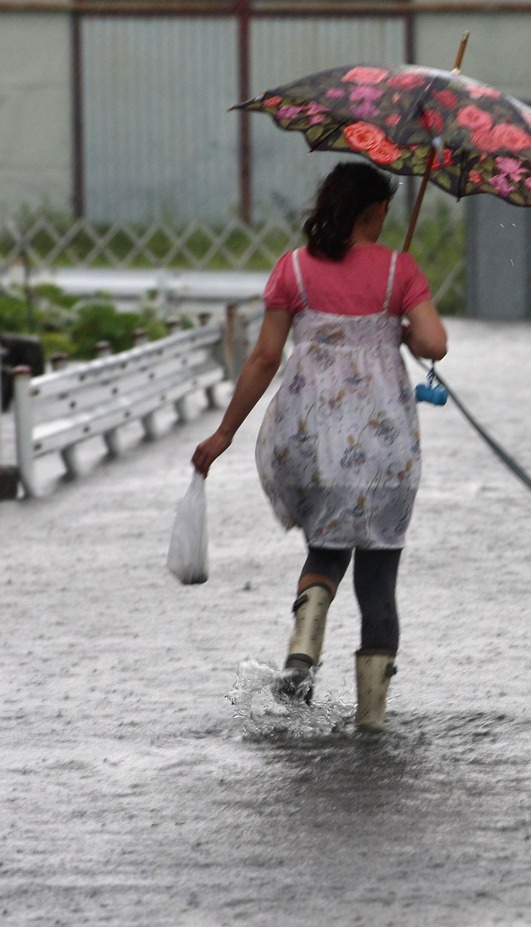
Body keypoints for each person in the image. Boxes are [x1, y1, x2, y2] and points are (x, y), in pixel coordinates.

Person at [192, 161, 448, 731]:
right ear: (374, 213)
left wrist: (225, 433)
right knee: (378, 577)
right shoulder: (398, 271)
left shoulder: (293, 270)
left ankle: (303, 651)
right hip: (383, 446)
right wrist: (400, 325)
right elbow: (435, 342)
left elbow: (263, 358)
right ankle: (373, 719)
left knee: (327, 551)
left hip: (308, 441)